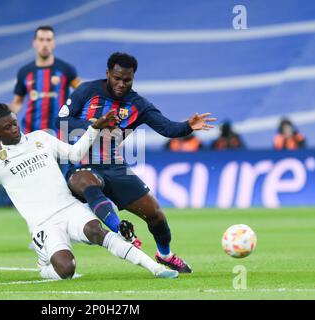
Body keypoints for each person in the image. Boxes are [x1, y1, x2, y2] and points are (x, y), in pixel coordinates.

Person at [0, 103, 179, 280]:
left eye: (14, 123)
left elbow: (74, 153)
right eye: (7, 127)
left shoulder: (40, 138)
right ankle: (44, 264)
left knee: (99, 233)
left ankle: (155, 268)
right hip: (43, 224)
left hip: (70, 208)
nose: (14, 129)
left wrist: (95, 128)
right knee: (66, 271)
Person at [56, 52, 216, 273]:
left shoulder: (137, 104)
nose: (121, 84)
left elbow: (167, 128)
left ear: (133, 78)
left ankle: (165, 255)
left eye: (127, 80)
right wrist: (96, 124)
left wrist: (188, 125)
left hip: (114, 166)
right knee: (87, 182)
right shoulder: (87, 91)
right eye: (117, 78)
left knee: (155, 214)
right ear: (108, 74)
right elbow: (61, 120)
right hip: (79, 163)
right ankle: (119, 229)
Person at [9, 25, 81, 134]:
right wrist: (4, 114)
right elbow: (17, 103)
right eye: (41, 40)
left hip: (60, 134)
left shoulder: (66, 69)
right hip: (31, 134)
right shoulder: (24, 72)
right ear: (34, 43)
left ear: (53, 43)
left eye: (48, 40)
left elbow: (83, 91)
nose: (45, 44)